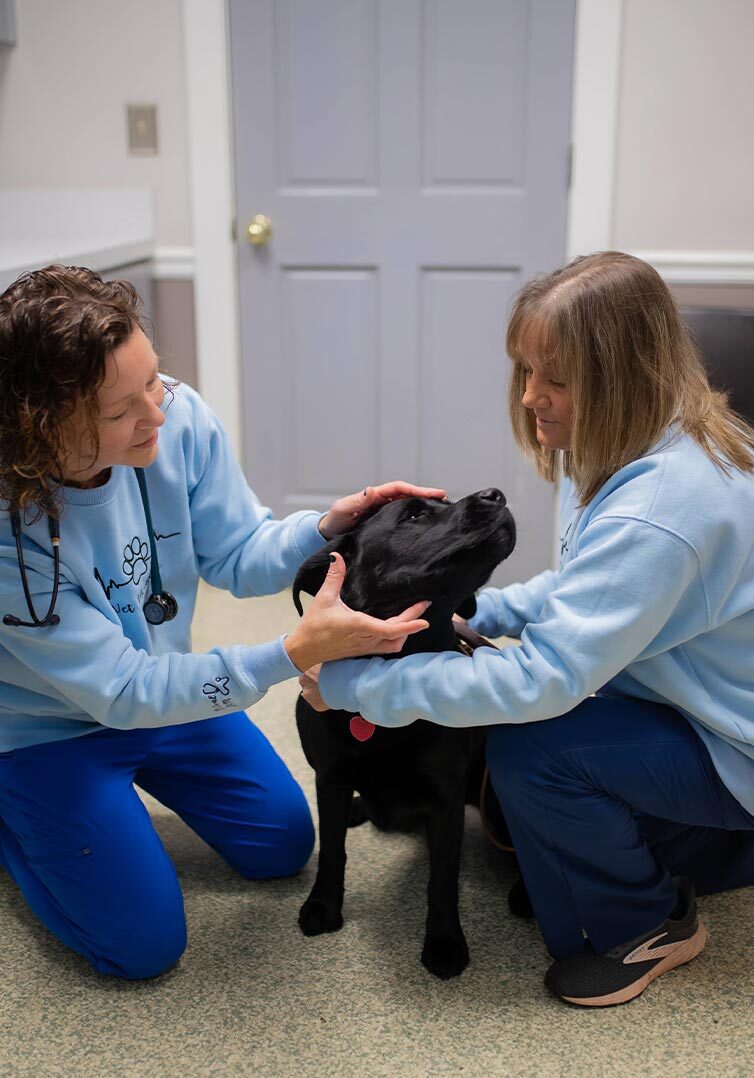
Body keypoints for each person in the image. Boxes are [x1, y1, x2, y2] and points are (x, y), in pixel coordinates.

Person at [302, 251, 754, 1007]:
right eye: (523, 370)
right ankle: (713, 848)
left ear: (625, 376)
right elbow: (588, 589)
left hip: (733, 742)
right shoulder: (644, 447)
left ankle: (647, 926)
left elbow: (540, 680)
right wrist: (482, 611)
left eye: (557, 378)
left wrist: (357, 683)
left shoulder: (662, 508)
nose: (530, 396)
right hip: (701, 704)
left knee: (530, 747)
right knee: (534, 811)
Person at [0, 264, 442, 980]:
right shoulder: (7, 536)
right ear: (40, 426)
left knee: (280, 845)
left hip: (159, 699)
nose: (157, 413)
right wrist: (290, 652)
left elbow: (238, 554)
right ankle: (18, 819)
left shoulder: (175, 417)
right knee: (141, 950)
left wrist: (326, 528)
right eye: (121, 409)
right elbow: (121, 692)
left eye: (153, 377)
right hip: (52, 730)